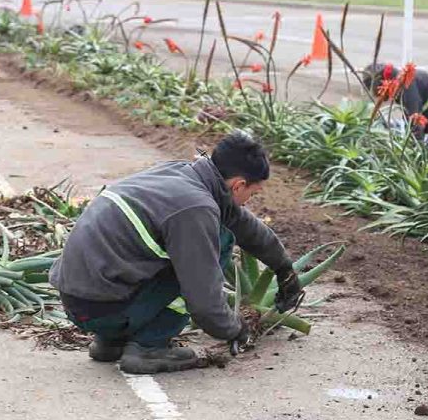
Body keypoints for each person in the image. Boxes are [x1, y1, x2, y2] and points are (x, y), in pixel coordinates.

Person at [50, 132, 302, 374]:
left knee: (198, 241)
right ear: (239, 185)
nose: (249, 200)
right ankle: (148, 348)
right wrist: (235, 329)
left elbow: (245, 225)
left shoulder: (182, 174)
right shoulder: (196, 208)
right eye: (253, 193)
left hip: (78, 300)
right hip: (103, 309)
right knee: (219, 241)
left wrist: (283, 268)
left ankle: (110, 342)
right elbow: (204, 303)